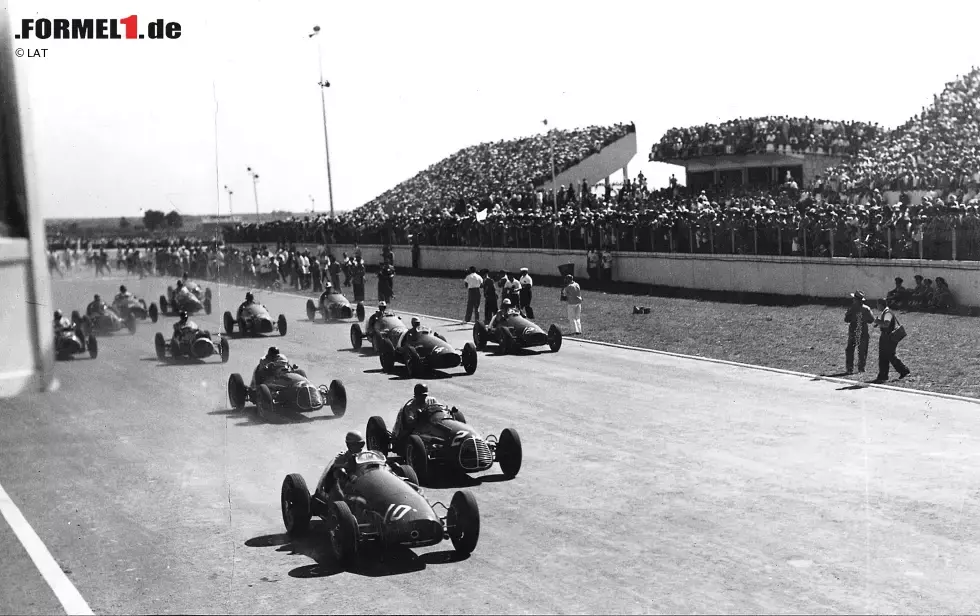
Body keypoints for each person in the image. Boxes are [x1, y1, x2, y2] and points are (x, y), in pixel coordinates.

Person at [391, 383, 439, 450]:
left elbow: (439, 411)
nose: (423, 398)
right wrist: (419, 417)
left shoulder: (432, 400)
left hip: (428, 426)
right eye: (421, 396)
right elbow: (410, 424)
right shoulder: (409, 407)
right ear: (416, 396)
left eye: (425, 395)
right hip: (411, 430)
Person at [873, 298, 910, 383]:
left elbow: (886, 324)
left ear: (881, 304)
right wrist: (878, 322)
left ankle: (904, 371)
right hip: (885, 337)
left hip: (888, 337)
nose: (877, 306)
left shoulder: (888, 313)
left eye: (877, 304)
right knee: (883, 356)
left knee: (890, 355)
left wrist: (878, 321)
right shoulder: (885, 312)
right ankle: (883, 375)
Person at [322, 431, 367, 496]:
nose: (361, 447)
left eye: (362, 444)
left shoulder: (366, 455)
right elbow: (335, 467)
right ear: (349, 445)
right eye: (358, 444)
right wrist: (345, 466)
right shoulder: (342, 458)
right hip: (349, 490)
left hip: (367, 483)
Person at [844, 291, 874, 374]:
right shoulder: (867, 308)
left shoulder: (851, 308)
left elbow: (846, 319)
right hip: (863, 330)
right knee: (863, 350)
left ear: (855, 299)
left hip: (853, 330)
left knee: (850, 349)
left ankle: (849, 368)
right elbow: (871, 320)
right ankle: (861, 368)